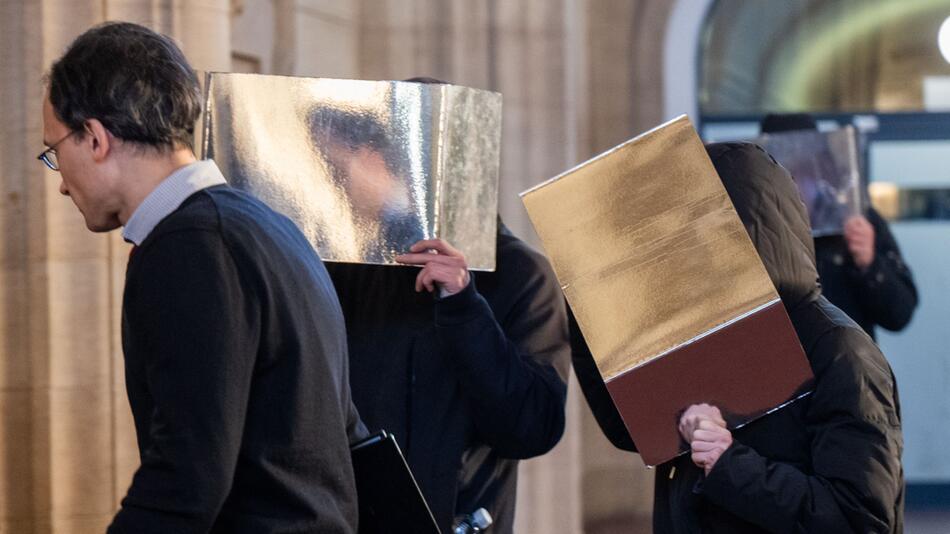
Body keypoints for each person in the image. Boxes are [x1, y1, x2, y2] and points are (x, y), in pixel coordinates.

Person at [42, 22, 364, 533]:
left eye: (54, 152)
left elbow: (187, 479)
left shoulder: (190, 246)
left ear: (96, 137)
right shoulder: (268, 225)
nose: (60, 183)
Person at [572, 142, 904, 533]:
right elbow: (629, 430)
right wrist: (586, 304)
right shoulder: (702, 334)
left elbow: (859, 519)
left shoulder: (840, 350)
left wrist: (727, 462)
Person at [326, 86, 570, 529]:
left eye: (350, 169)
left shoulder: (520, 274)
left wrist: (463, 305)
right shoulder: (353, 266)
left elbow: (533, 426)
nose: (343, 184)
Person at [760, 113, 918, 339]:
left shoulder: (857, 219)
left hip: (849, 367)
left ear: (819, 165)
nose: (795, 179)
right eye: (782, 166)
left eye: (802, 165)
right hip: (779, 367)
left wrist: (870, 263)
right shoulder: (749, 225)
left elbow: (900, 314)